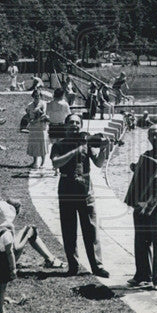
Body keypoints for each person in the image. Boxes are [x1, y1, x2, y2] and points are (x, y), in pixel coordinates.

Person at [49, 114, 110, 278]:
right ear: (66, 125)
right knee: (69, 229)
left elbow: (98, 163)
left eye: (77, 123)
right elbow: (55, 163)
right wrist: (75, 151)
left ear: (81, 125)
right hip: (66, 188)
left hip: (85, 190)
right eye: (71, 122)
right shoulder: (59, 145)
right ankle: (73, 265)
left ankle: (97, 266)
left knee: (91, 229)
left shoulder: (87, 142)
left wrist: (104, 148)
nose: (74, 125)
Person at [124, 123, 157, 290]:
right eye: (152, 135)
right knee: (141, 239)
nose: (155, 137)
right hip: (142, 203)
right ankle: (141, 275)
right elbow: (142, 177)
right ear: (148, 137)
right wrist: (136, 169)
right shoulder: (145, 156)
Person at [3, 198, 63, 269]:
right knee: (28, 230)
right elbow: (16, 248)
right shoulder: (9, 226)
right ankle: (51, 260)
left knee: (28, 229)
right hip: (8, 261)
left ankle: (50, 259)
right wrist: (27, 236)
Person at [26, 96, 49, 169]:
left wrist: (36, 120)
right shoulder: (30, 105)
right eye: (35, 96)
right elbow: (27, 114)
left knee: (42, 144)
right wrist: (29, 120)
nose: (37, 98)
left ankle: (43, 163)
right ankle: (35, 162)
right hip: (33, 128)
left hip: (41, 127)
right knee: (34, 144)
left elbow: (44, 114)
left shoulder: (43, 103)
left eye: (38, 96)